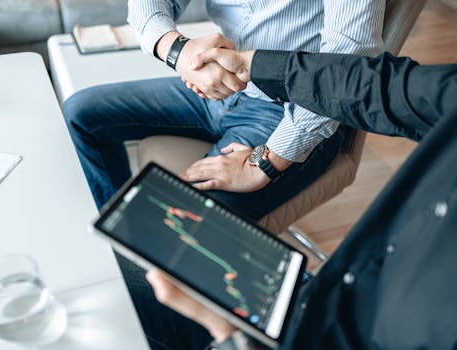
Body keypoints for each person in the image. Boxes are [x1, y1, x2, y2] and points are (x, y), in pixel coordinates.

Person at [144, 49, 457, 349]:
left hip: (310, 335)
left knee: (146, 289)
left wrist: (229, 335)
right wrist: (248, 64)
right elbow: (379, 86)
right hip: (321, 292)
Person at [63, 0, 385, 221]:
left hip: (291, 109)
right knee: (81, 115)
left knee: (183, 225)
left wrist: (266, 163)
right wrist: (178, 51)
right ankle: (125, 230)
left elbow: (348, 59)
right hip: (215, 88)